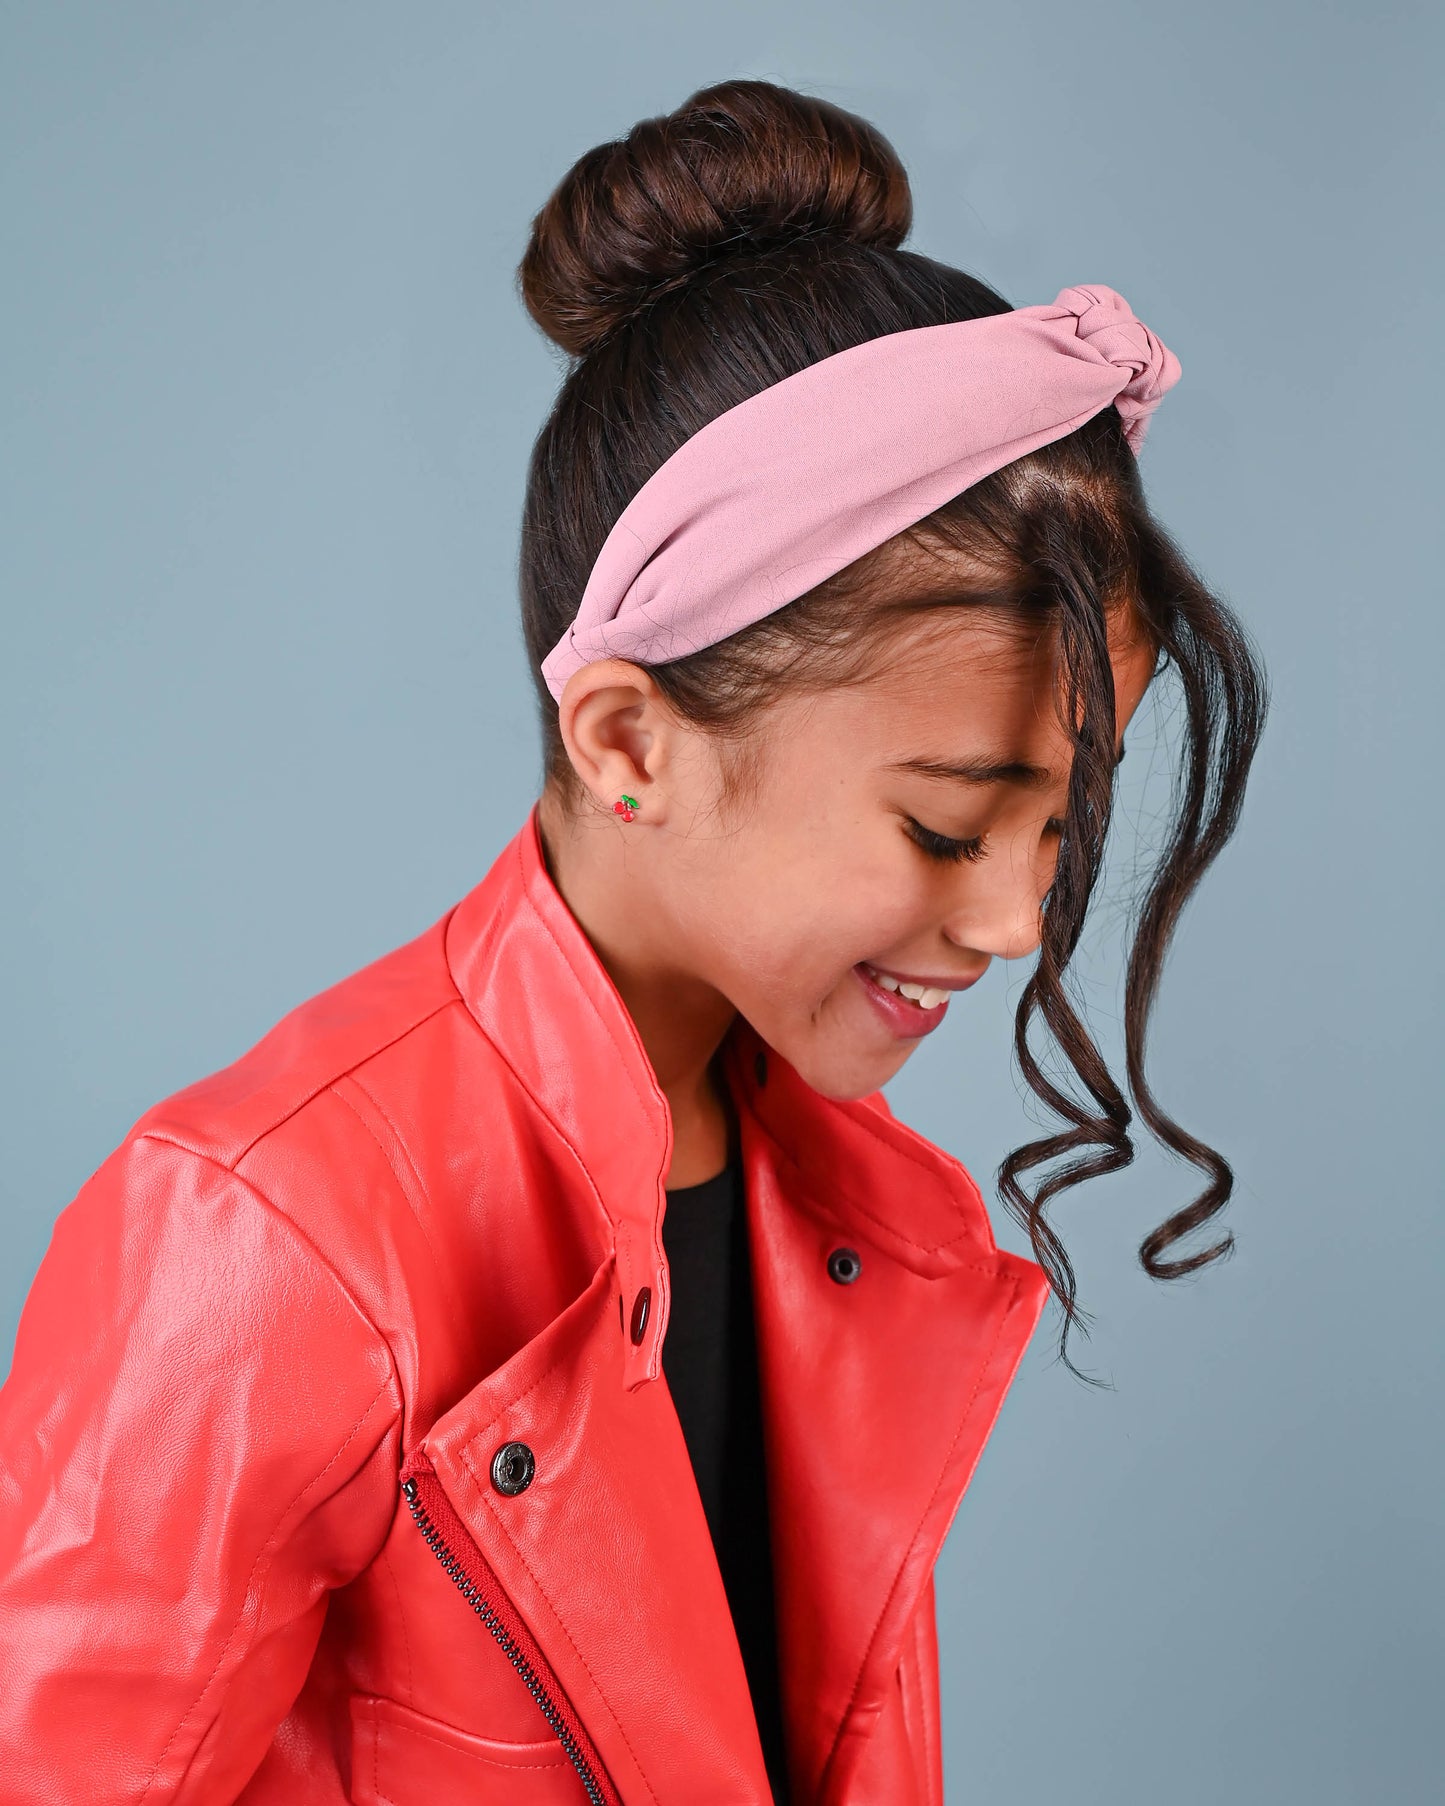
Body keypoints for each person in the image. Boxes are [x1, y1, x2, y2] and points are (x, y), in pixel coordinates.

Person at [0, 77, 1267, 1806]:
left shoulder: (843, 1198)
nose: (1006, 920)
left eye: (1059, 831)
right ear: (626, 741)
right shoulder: (265, 1230)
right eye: (944, 825)